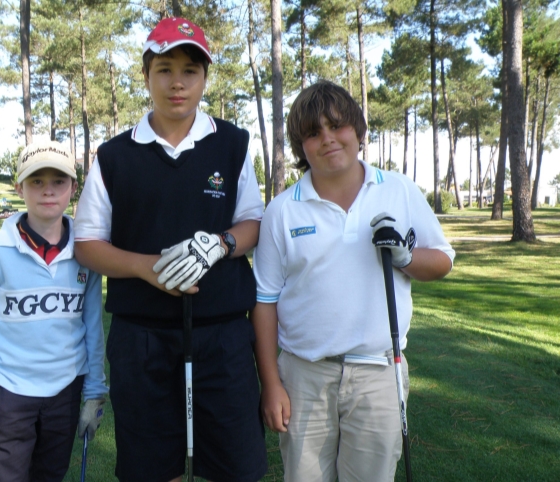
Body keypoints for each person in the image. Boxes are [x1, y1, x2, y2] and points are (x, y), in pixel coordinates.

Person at [73, 17, 267, 482]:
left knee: (235, 467)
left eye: (189, 70)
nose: (177, 83)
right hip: (142, 338)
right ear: (146, 76)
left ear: (205, 79)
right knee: (151, 470)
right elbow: (86, 244)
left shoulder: (233, 145)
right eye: (164, 69)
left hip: (223, 337)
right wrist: (147, 268)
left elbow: (254, 223)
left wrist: (222, 245)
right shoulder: (114, 156)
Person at [251, 80, 455, 482]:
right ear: (301, 146)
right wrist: (270, 383)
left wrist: (406, 257)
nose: (327, 139)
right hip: (303, 374)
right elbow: (265, 302)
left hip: (379, 371)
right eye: (313, 133)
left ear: (359, 132)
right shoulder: (281, 211)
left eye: (337, 126)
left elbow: (443, 261)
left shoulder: (398, 190)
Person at [0, 140, 108, 481]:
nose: (47, 191)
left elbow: (92, 326)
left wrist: (95, 389)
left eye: (58, 181)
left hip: (66, 391)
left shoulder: (86, 255)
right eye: (36, 182)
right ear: (19, 187)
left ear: (73, 188)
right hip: (8, 393)